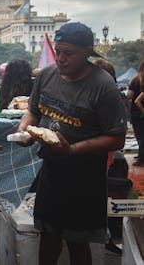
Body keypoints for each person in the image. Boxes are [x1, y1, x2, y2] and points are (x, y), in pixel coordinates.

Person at [16, 22, 126, 265]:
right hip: (52, 170)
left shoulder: (103, 86)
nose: (61, 58)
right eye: (58, 51)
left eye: (69, 53)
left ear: (88, 52)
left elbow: (117, 137)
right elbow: (33, 112)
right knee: (48, 233)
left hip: (85, 175)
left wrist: (73, 149)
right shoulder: (46, 75)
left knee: (78, 240)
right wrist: (24, 130)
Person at [127, 59, 144, 166]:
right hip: (141, 113)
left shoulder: (134, 80)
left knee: (139, 136)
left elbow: (129, 96)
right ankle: (141, 158)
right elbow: (138, 100)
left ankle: (140, 155)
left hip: (135, 114)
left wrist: (129, 109)